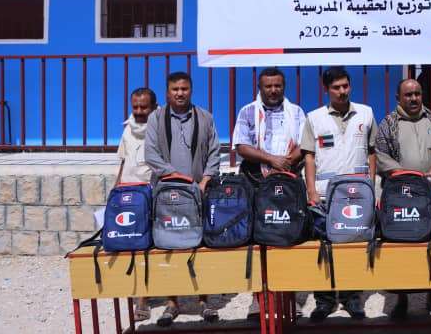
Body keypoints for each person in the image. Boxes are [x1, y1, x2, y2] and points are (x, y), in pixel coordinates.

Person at [300, 66, 377, 323]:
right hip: (325, 195)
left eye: (345, 86)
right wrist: (311, 190)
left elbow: (372, 152)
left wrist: (370, 186)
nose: (342, 91)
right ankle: (324, 300)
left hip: (357, 194)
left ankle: (352, 297)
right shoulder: (314, 118)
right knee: (323, 247)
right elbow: (309, 157)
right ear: (326, 89)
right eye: (336, 87)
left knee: (353, 246)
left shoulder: (366, 113)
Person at [145, 72, 221, 326]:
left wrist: (204, 181)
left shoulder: (205, 117)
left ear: (191, 90)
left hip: (199, 192)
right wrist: (176, 178)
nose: (180, 93)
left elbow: (214, 151)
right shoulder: (156, 118)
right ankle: (172, 302)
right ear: (167, 92)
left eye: (184, 89)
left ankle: (204, 301)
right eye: (175, 89)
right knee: (169, 245)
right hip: (167, 193)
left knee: (200, 245)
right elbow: (151, 154)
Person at [233, 67, 306, 320]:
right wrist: (271, 160)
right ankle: (258, 300)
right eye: (268, 86)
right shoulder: (247, 112)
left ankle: (288, 298)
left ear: (283, 87)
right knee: (257, 241)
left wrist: (283, 165)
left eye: (278, 86)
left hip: (288, 181)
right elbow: (242, 146)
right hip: (255, 181)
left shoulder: (296, 112)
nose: (273, 90)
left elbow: (304, 145)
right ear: (260, 87)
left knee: (288, 237)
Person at [376, 78, 431, 319]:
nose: (414, 98)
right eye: (408, 95)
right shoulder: (388, 123)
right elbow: (381, 156)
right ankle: (401, 298)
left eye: (417, 93)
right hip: (401, 195)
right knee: (401, 247)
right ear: (398, 98)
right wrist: (407, 178)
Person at [115, 87, 157, 322]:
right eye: (136, 107)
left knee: (153, 245)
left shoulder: (161, 129)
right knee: (133, 245)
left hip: (152, 194)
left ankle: (165, 298)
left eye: (144, 107)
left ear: (154, 108)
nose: (139, 111)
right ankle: (141, 296)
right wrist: (115, 190)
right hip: (129, 195)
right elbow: (123, 162)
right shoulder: (127, 129)